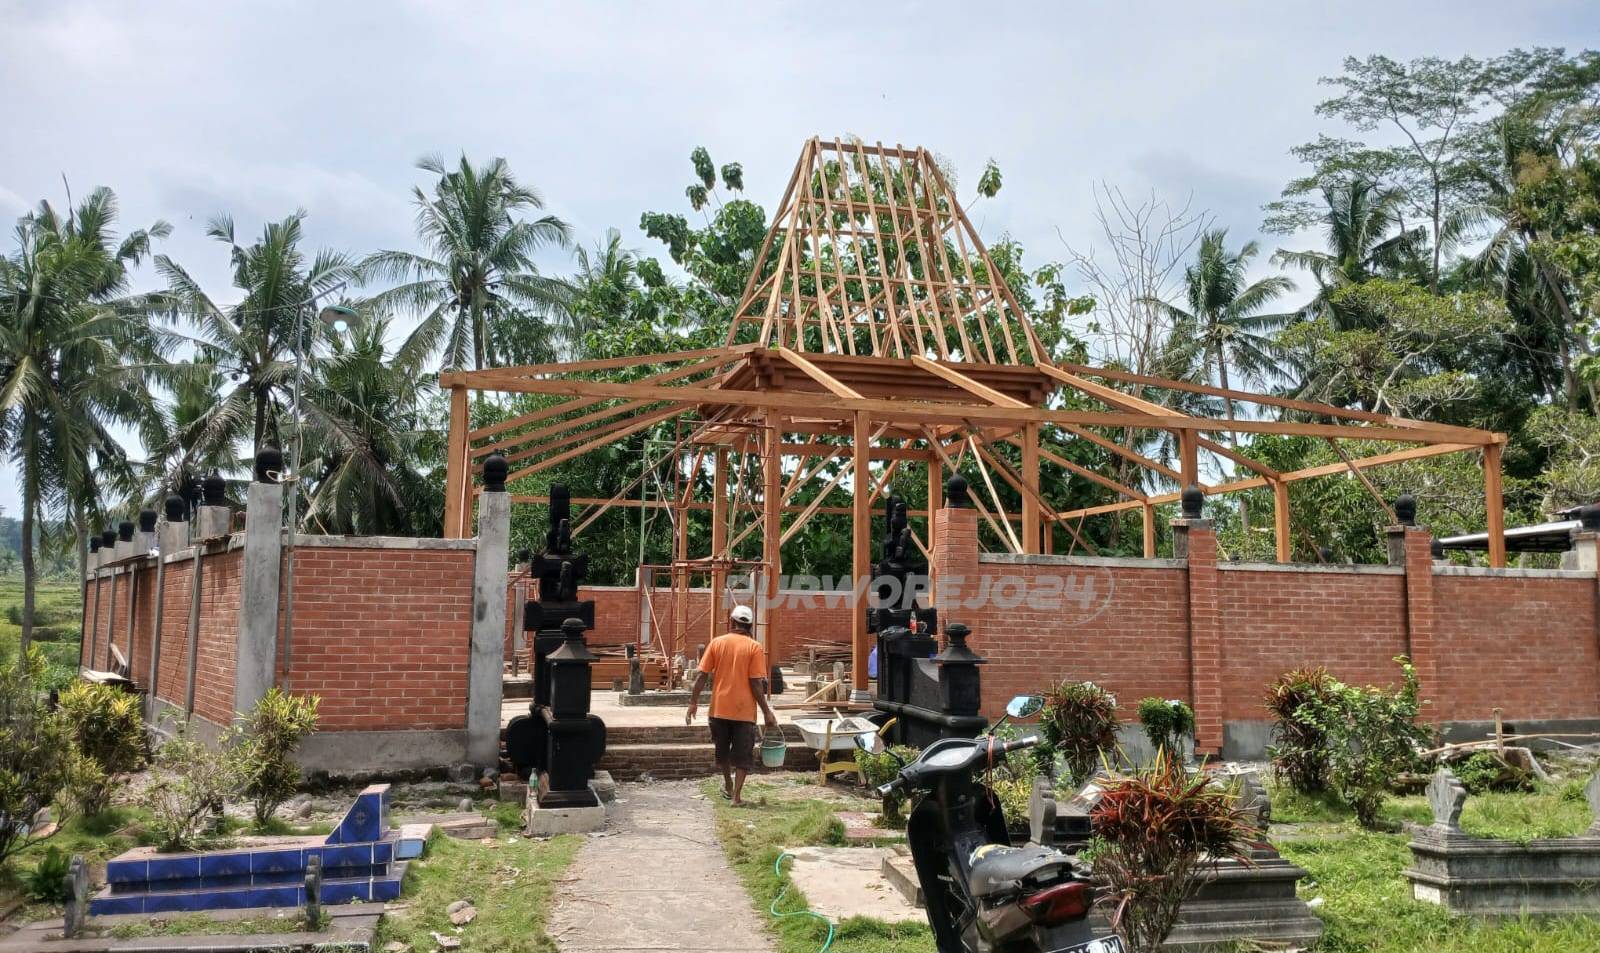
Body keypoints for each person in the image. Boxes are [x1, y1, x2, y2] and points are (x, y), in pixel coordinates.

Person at [685, 605, 780, 805]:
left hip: (719, 709)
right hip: (744, 713)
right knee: (743, 756)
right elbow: (755, 683)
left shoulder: (717, 643)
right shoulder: (754, 647)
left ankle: (728, 783)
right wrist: (766, 711)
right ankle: (736, 797)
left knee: (723, 752)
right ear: (750, 625)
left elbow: (701, 676)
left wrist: (693, 702)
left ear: (731, 622)